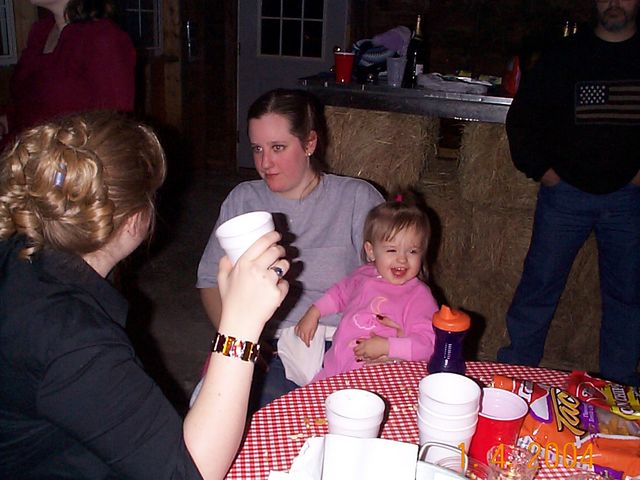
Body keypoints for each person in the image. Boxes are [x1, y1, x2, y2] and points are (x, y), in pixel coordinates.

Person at [0, 111, 290, 479]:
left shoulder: (17, 251)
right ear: (134, 218)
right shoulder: (73, 337)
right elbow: (191, 473)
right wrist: (241, 326)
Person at [197, 88, 384, 408]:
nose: (264, 162)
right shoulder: (244, 200)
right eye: (257, 148)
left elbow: (396, 275)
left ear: (309, 143)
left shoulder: (356, 198)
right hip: (272, 344)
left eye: (278, 147)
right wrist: (241, 338)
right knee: (246, 415)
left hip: (343, 340)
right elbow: (209, 280)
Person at [498, 0, 640, 386]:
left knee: (628, 296)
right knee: (538, 286)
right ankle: (515, 376)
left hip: (628, 199)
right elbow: (522, 119)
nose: (614, 3)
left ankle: (621, 390)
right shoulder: (564, 56)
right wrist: (544, 172)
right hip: (565, 196)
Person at [295, 195, 438, 382]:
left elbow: (429, 344)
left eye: (412, 251)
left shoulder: (419, 296)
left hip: (378, 377)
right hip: (334, 368)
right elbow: (339, 294)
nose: (402, 259)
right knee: (310, 398)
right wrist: (314, 312)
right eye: (392, 250)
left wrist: (388, 346)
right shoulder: (363, 274)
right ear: (371, 251)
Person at [0, 0, 135, 146]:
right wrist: (6, 122)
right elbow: (27, 106)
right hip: (21, 151)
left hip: (66, 157)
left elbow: (112, 128)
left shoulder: (103, 37)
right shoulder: (41, 32)